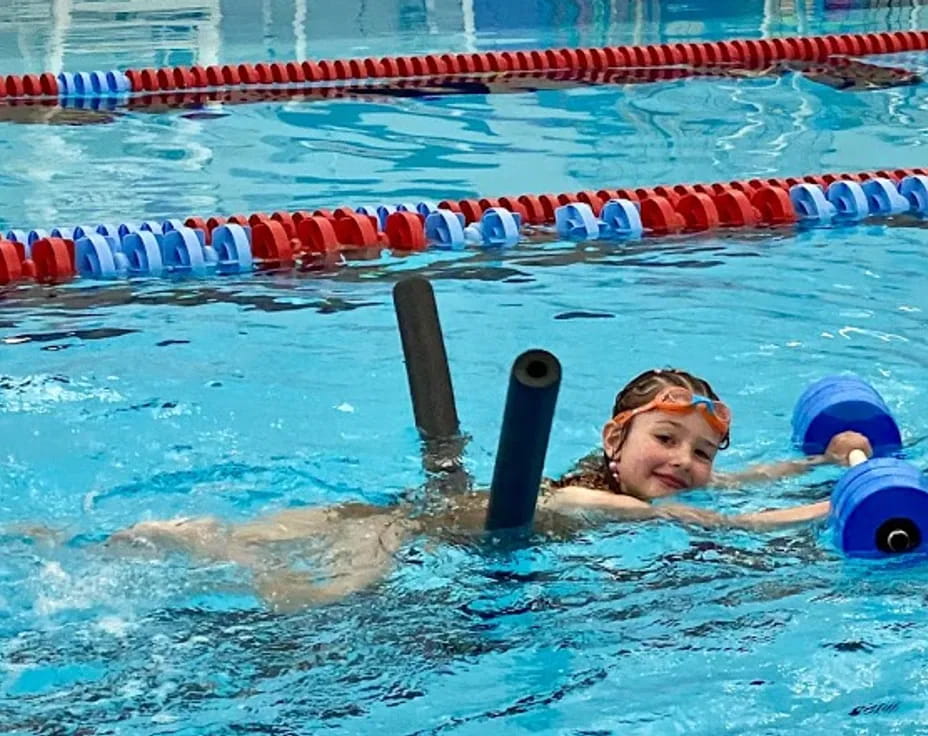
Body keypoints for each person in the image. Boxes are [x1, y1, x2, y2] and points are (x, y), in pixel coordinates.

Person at [99, 367, 873, 611]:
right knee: (312, 604)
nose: (684, 465)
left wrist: (824, 459)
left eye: (700, 454)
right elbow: (725, 527)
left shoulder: (645, 482)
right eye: (665, 441)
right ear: (615, 442)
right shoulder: (596, 500)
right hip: (410, 533)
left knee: (268, 532)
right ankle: (216, 552)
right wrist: (829, 504)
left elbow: (738, 483)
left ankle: (191, 535)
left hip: (410, 509)